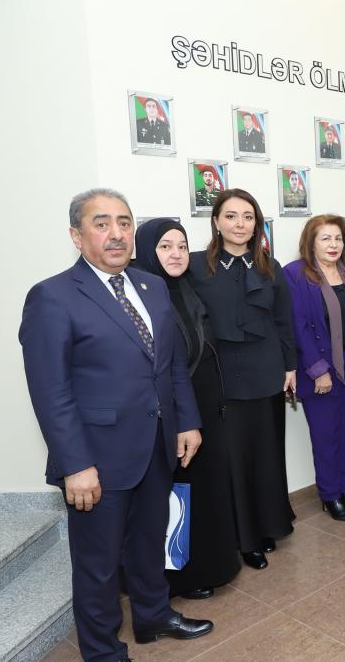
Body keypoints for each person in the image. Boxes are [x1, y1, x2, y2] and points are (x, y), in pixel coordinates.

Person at [20, 189, 213, 662]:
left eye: (124, 223)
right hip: (97, 459)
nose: (116, 233)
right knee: (98, 565)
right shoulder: (53, 296)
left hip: (156, 445)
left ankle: (153, 615)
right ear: (76, 235)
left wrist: (187, 421)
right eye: (101, 223)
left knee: (149, 543)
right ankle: (103, 651)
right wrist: (75, 465)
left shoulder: (151, 286)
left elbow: (170, 364)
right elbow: (50, 392)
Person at [131, 219, 241, 600]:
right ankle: (179, 578)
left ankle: (211, 566)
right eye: (165, 247)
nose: (176, 254)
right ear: (148, 251)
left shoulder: (188, 288)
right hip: (173, 413)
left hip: (206, 407)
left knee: (206, 490)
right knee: (177, 496)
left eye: (181, 246)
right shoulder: (141, 297)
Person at [187, 188, 297, 571]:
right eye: (231, 216)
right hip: (222, 378)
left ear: (257, 225)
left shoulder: (270, 266)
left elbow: (283, 322)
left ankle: (268, 526)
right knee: (232, 459)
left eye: (248, 217)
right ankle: (243, 538)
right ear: (216, 221)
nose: (240, 224)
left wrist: (290, 367)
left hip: (266, 373)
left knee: (266, 456)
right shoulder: (195, 266)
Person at [285, 215, 345, 522]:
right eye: (325, 238)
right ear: (310, 243)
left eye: (338, 238)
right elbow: (298, 326)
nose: (333, 244)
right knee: (326, 436)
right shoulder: (296, 274)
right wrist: (318, 370)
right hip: (320, 370)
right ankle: (330, 495)